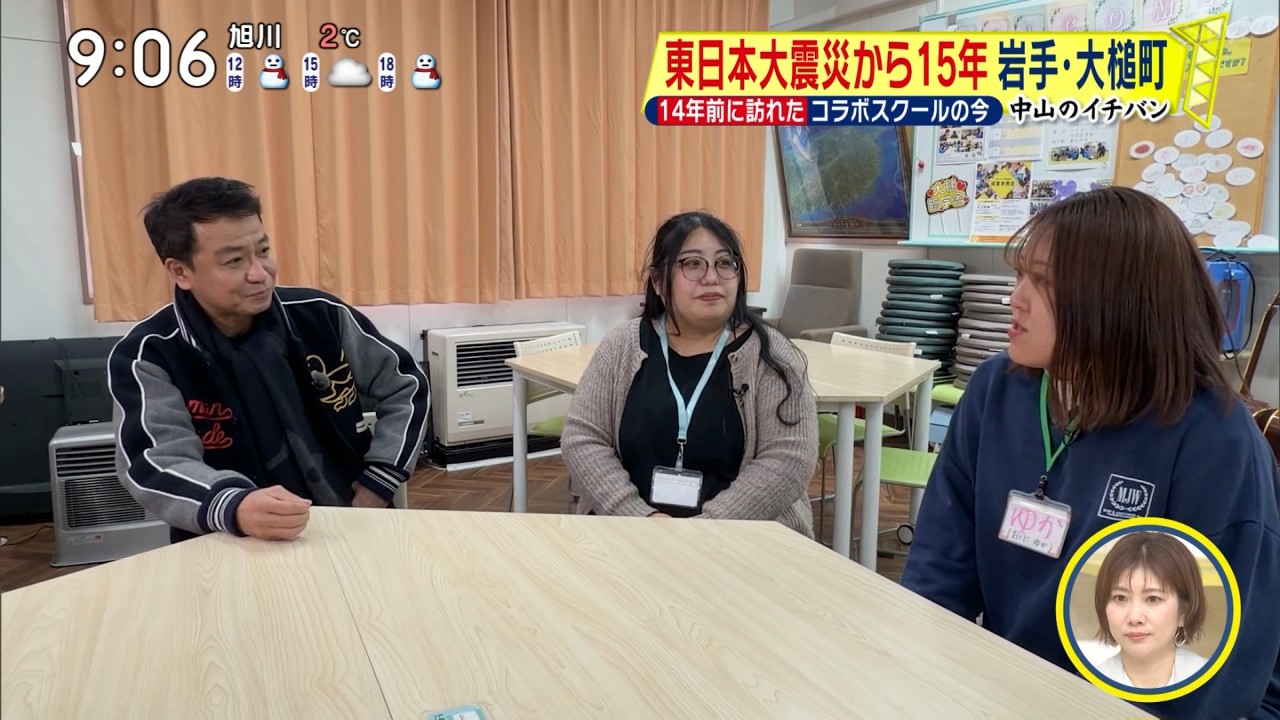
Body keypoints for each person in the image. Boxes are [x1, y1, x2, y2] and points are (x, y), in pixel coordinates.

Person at [899, 187, 1280, 719]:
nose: (1015, 299)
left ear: (1116, 301)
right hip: (1013, 688)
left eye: (1043, 282)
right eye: (1020, 276)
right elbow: (938, 574)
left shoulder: (1214, 439)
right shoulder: (995, 391)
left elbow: (1208, 667)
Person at [108, 177, 430, 543]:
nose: (260, 274)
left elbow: (406, 386)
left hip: (352, 521)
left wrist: (381, 477)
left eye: (263, 251)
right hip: (228, 539)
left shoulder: (320, 315)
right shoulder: (149, 353)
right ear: (181, 272)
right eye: (234, 261)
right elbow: (154, 461)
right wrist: (234, 505)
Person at [560, 211, 817, 536]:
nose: (711, 277)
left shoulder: (772, 354)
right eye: (692, 264)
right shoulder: (622, 345)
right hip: (632, 538)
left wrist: (702, 533)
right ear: (657, 281)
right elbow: (583, 439)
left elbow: (789, 457)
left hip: (745, 544)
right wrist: (640, 519)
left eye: (725, 263)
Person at [1091, 531, 1210, 688]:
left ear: (1184, 612)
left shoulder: (1215, 681)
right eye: (1120, 598)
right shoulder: (1087, 686)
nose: (1135, 617)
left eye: (1153, 599)